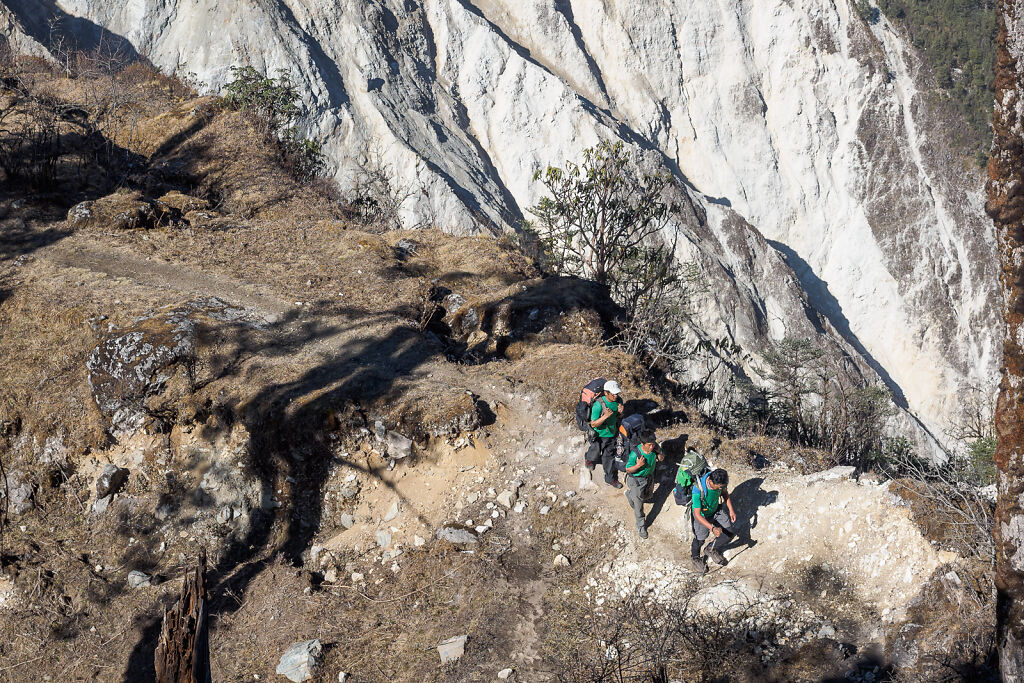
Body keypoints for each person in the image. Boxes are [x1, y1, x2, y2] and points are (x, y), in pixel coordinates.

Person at [690, 468, 737, 574]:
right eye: (719, 487)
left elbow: (725, 494)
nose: (721, 488)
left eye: (722, 486)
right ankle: (695, 558)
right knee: (700, 539)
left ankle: (711, 548)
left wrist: (731, 510)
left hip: (715, 510)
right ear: (711, 482)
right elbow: (697, 515)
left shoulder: (720, 481)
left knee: (729, 533)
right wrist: (712, 528)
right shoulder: (697, 490)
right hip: (702, 516)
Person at [623, 432, 663, 539]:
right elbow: (627, 469)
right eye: (649, 445)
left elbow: (661, 458)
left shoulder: (655, 448)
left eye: (653, 444)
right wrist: (638, 465)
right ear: (642, 443)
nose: (652, 446)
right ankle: (641, 526)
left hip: (649, 478)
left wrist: (659, 453)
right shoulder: (635, 454)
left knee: (646, 497)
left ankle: (630, 495)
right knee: (639, 506)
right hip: (636, 481)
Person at [586, 379, 623, 488]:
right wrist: (605, 416)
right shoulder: (598, 405)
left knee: (609, 457)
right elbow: (593, 424)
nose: (616, 396)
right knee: (595, 451)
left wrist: (621, 413)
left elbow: (617, 417)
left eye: (617, 393)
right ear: (606, 392)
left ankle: (610, 479)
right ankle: (589, 459)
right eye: (614, 393)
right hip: (599, 435)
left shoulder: (619, 401)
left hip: (611, 434)